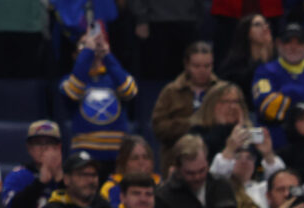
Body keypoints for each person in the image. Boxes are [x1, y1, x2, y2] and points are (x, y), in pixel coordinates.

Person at [62, 25, 142, 162]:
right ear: (75, 55)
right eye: (84, 44)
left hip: (118, 153)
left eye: (95, 42)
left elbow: (129, 92)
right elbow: (74, 93)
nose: (92, 46)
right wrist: (87, 51)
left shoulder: (116, 78)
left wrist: (107, 55)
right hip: (84, 155)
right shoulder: (67, 81)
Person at [154, 42, 222, 150]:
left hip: (215, 155)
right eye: (196, 66)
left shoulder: (222, 91)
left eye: (207, 66)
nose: (202, 71)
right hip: (176, 156)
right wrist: (190, 123)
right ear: (186, 65)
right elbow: (158, 128)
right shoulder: (171, 91)